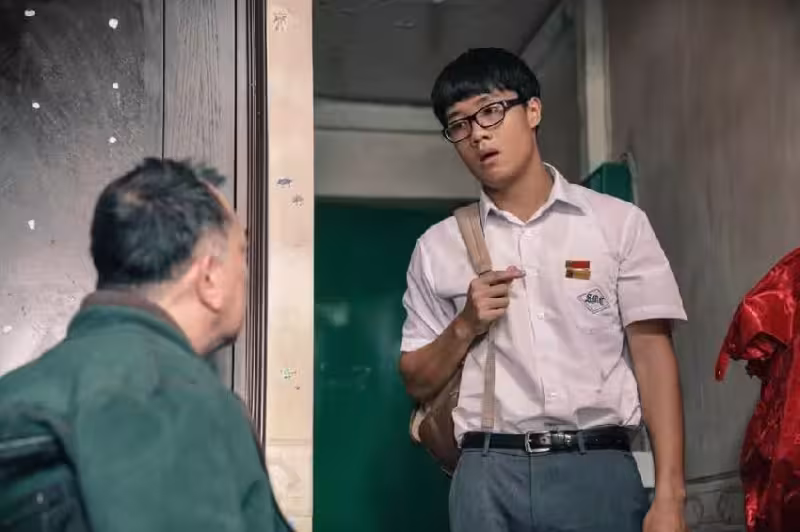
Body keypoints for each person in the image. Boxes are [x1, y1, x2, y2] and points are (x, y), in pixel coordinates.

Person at [398, 48, 689, 532]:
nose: (478, 134)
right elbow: (415, 379)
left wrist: (671, 496)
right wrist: (466, 325)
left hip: (598, 466)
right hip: (487, 473)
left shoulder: (617, 224)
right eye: (459, 125)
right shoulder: (437, 247)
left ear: (532, 110)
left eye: (490, 111)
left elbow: (653, 357)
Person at [0, 158, 291, 531]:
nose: (245, 272)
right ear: (209, 278)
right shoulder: (175, 399)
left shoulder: (16, 392)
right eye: (242, 252)